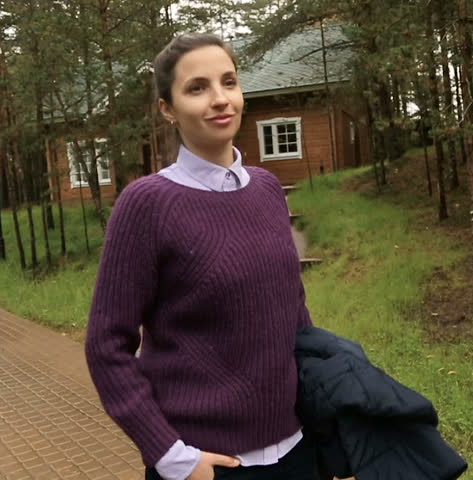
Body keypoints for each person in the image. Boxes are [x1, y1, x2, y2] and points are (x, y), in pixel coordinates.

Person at [85, 33, 319, 480]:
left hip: (298, 454)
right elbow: (106, 346)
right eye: (197, 88)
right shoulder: (147, 204)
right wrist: (172, 457)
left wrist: (323, 411)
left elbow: (293, 312)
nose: (219, 99)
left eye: (228, 82)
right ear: (168, 109)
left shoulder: (268, 189)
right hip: (207, 465)